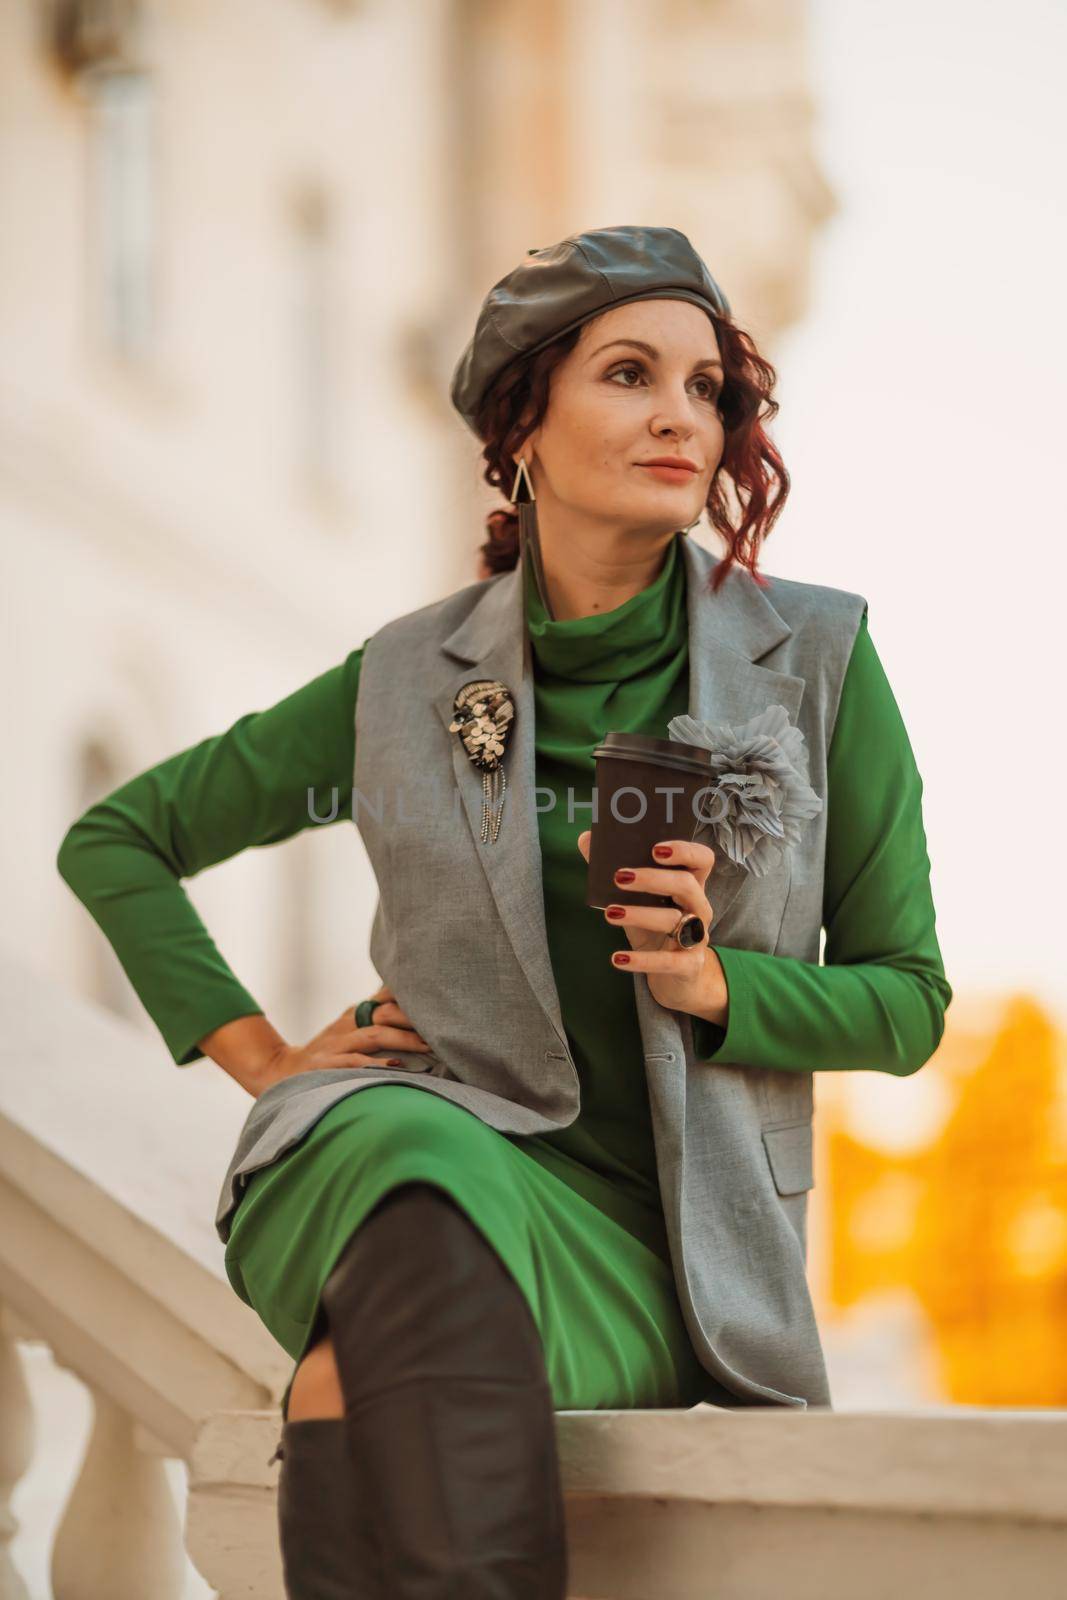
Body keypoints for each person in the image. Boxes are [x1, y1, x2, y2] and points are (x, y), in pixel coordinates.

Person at [56, 225, 952, 1599]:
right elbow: (123, 840)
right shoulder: (406, 677)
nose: (679, 415)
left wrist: (722, 989)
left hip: (659, 1261)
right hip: (401, 1160)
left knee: (352, 1385)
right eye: (631, 373)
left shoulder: (817, 659)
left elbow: (908, 1000)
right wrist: (263, 1059)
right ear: (520, 420)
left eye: (708, 388)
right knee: (409, 1135)